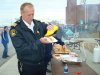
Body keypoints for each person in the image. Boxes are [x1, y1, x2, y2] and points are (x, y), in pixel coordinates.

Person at [9, 2, 54, 75]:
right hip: (28, 66)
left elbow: (50, 29)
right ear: (21, 13)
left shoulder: (38, 24)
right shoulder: (15, 29)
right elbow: (21, 49)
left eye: (33, 14)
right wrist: (40, 41)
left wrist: (50, 27)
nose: (31, 17)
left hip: (42, 64)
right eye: (28, 15)